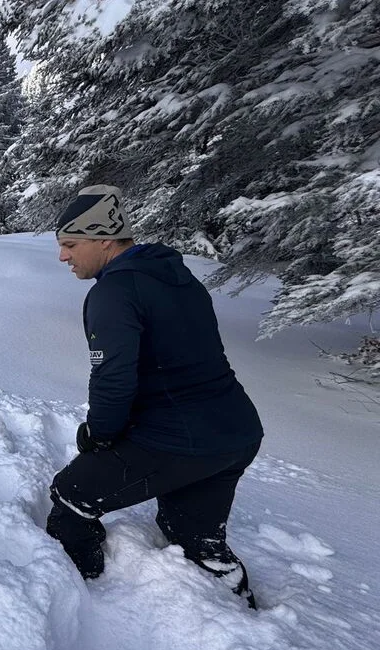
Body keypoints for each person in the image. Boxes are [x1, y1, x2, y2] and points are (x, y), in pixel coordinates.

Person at [47, 185, 264, 608]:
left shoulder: (113, 292)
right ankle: (240, 611)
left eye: (70, 245)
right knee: (193, 535)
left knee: (72, 495)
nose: (64, 257)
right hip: (236, 433)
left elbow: (113, 376)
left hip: (179, 436)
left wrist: (101, 433)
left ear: (104, 239)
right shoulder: (177, 277)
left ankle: (86, 590)